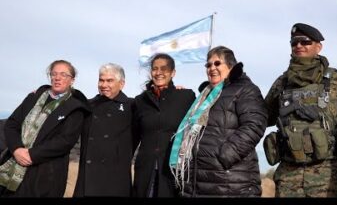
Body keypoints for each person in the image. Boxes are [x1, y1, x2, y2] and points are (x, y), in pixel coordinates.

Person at [263, 23, 337, 197]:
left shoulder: (335, 79)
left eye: (305, 42)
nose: (299, 46)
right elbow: (263, 117)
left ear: (318, 47)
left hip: (326, 176)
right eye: (294, 43)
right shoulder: (282, 83)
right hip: (288, 176)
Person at [169, 45, 267, 197]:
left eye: (217, 63)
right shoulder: (204, 96)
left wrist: (225, 156)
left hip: (229, 181)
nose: (211, 68)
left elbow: (255, 124)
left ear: (231, 65)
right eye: (208, 65)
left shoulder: (245, 89)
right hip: (198, 182)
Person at [0, 60, 90, 197]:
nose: (57, 78)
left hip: (46, 173)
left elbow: (65, 141)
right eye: (54, 74)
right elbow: (12, 124)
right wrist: (17, 149)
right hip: (12, 165)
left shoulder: (75, 108)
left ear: (72, 80)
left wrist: (31, 154)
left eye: (63, 74)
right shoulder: (33, 97)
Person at [131, 53, 195, 197]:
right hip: (145, 170)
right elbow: (133, 137)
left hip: (172, 171)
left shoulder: (186, 97)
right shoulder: (140, 101)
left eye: (164, 69)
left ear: (173, 73)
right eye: (155, 69)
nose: (158, 72)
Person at [74, 63, 134, 197]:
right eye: (101, 80)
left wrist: (174, 90)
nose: (104, 84)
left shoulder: (133, 105)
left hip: (116, 181)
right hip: (88, 179)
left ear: (122, 84)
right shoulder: (87, 105)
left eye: (109, 81)